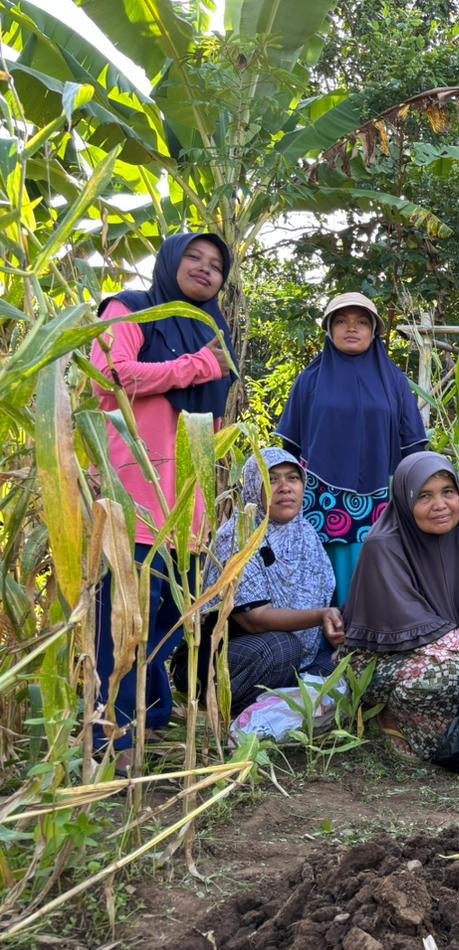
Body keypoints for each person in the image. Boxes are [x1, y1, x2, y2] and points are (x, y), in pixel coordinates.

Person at [90, 231, 237, 768]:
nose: (205, 268)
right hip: (132, 502)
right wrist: (197, 365)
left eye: (216, 264)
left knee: (170, 619)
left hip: (186, 512)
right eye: (193, 257)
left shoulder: (211, 331)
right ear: (169, 261)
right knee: (123, 624)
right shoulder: (131, 310)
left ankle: (148, 717)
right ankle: (113, 738)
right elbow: (109, 375)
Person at [342, 453, 459, 761]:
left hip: (453, 652)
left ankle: (438, 730)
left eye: (448, 492)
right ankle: (388, 718)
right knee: (453, 679)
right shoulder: (383, 545)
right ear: (405, 500)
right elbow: (410, 622)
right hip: (381, 660)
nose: (440, 505)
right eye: (424, 496)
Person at [275, 292, 427, 606]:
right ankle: (320, 628)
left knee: (377, 569)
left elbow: (413, 447)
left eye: (361, 322)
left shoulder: (394, 382)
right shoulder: (309, 380)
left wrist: (414, 497)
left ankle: (370, 631)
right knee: (320, 577)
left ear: (374, 331)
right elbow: (290, 447)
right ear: (329, 330)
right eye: (341, 321)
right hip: (320, 499)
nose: (352, 328)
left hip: (381, 496)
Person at [181, 449, 343, 716]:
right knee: (283, 647)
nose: (284, 488)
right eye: (271, 479)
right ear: (254, 488)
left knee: (343, 662)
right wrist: (320, 616)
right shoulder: (238, 535)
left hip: (298, 657)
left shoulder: (307, 534)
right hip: (224, 659)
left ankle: (283, 699)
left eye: (292, 478)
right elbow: (254, 620)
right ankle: (236, 706)